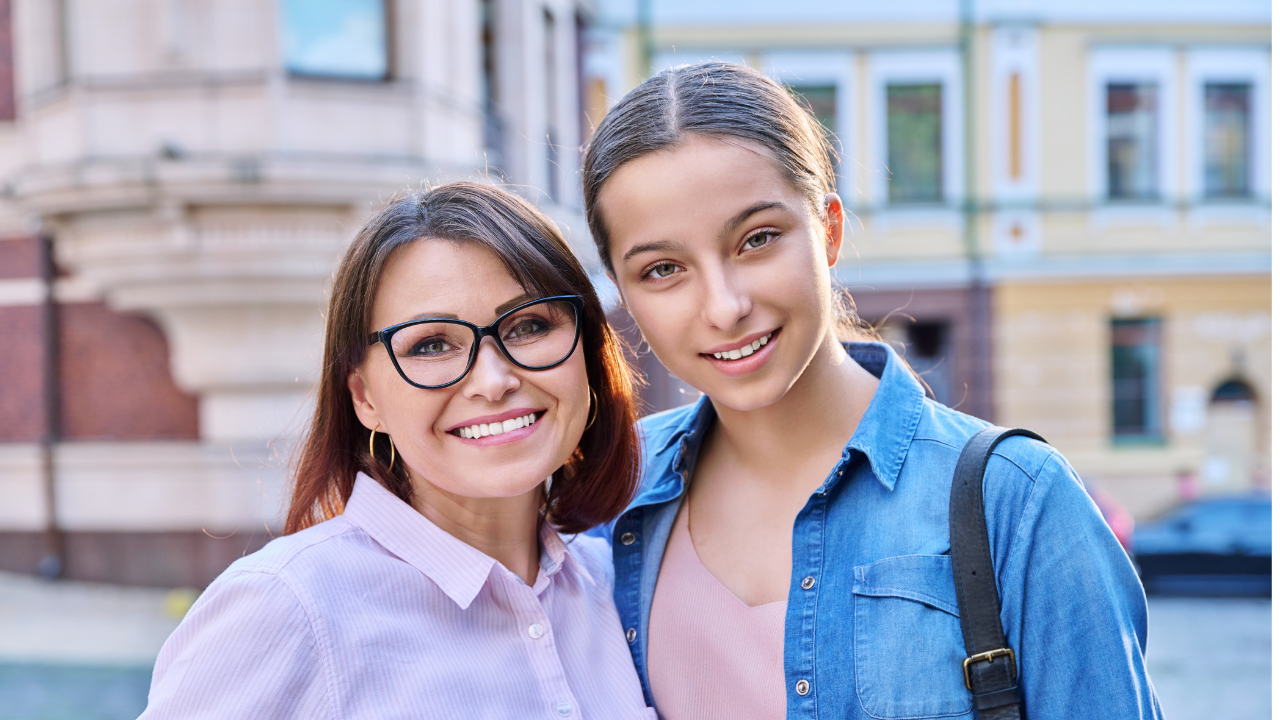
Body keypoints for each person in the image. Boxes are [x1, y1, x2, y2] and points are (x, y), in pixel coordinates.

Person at [583, 62, 1163, 719]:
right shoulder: (609, 493)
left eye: (757, 240)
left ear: (828, 229)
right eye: (663, 270)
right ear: (620, 289)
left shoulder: (1017, 502)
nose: (723, 306)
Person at [141, 183, 655, 719]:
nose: (493, 379)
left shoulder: (620, 584)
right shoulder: (288, 606)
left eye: (529, 325)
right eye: (431, 343)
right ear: (364, 397)